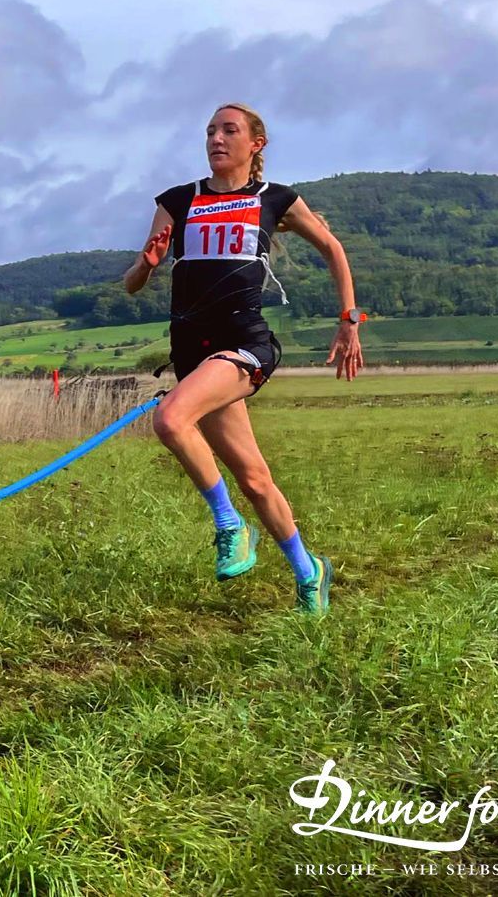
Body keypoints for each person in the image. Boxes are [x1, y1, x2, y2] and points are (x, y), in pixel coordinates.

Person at [122, 103, 363, 614]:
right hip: (191, 351)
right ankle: (309, 570)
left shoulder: (273, 199)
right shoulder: (178, 201)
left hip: (244, 342)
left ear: (256, 144)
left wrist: (349, 319)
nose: (216, 138)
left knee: (170, 420)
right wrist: (145, 266)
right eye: (210, 130)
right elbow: (131, 283)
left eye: (229, 130)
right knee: (255, 478)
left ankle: (230, 525)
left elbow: (333, 249)